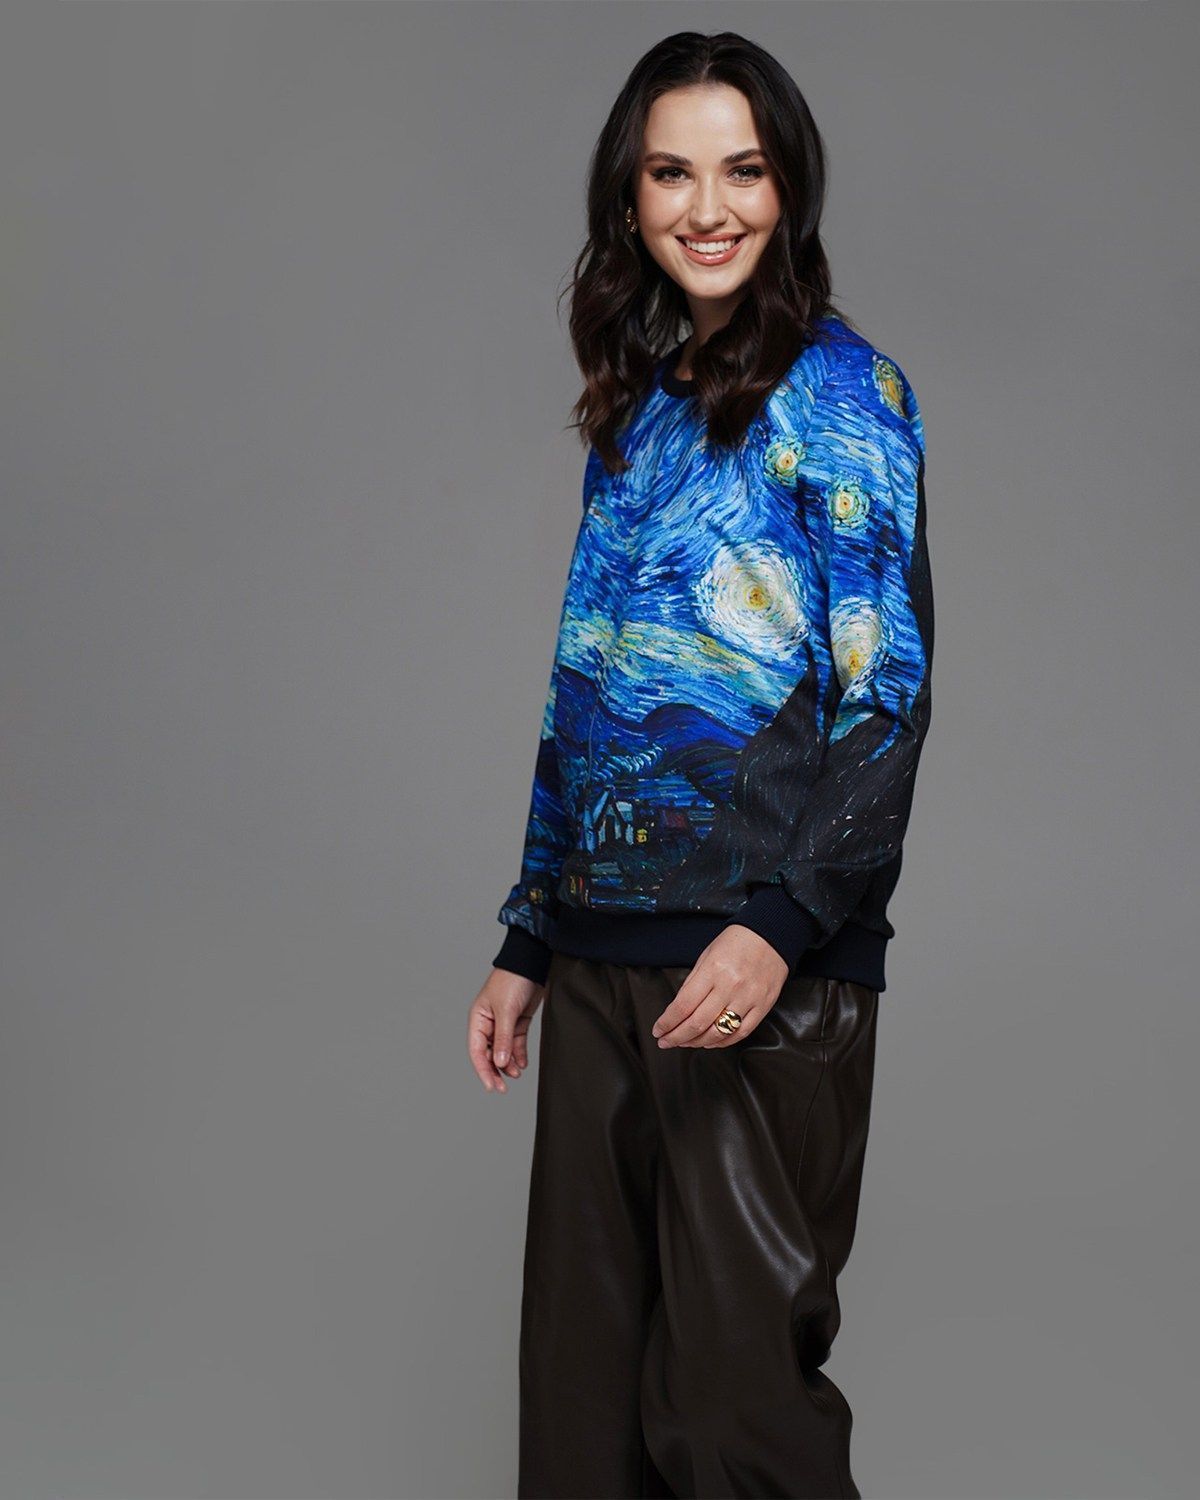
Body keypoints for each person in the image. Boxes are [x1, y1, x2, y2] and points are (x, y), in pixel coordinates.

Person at [466, 30, 934, 1500]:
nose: (709, 207)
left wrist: (781, 925)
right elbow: (587, 680)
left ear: (790, 190)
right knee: (582, 1419)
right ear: (630, 198)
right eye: (673, 172)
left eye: (745, 170)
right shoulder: (639, 405)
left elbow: (887, 693)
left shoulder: (849, 395)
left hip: (758, 969)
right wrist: (530, 933)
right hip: (600, 955)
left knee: (736, 1423)